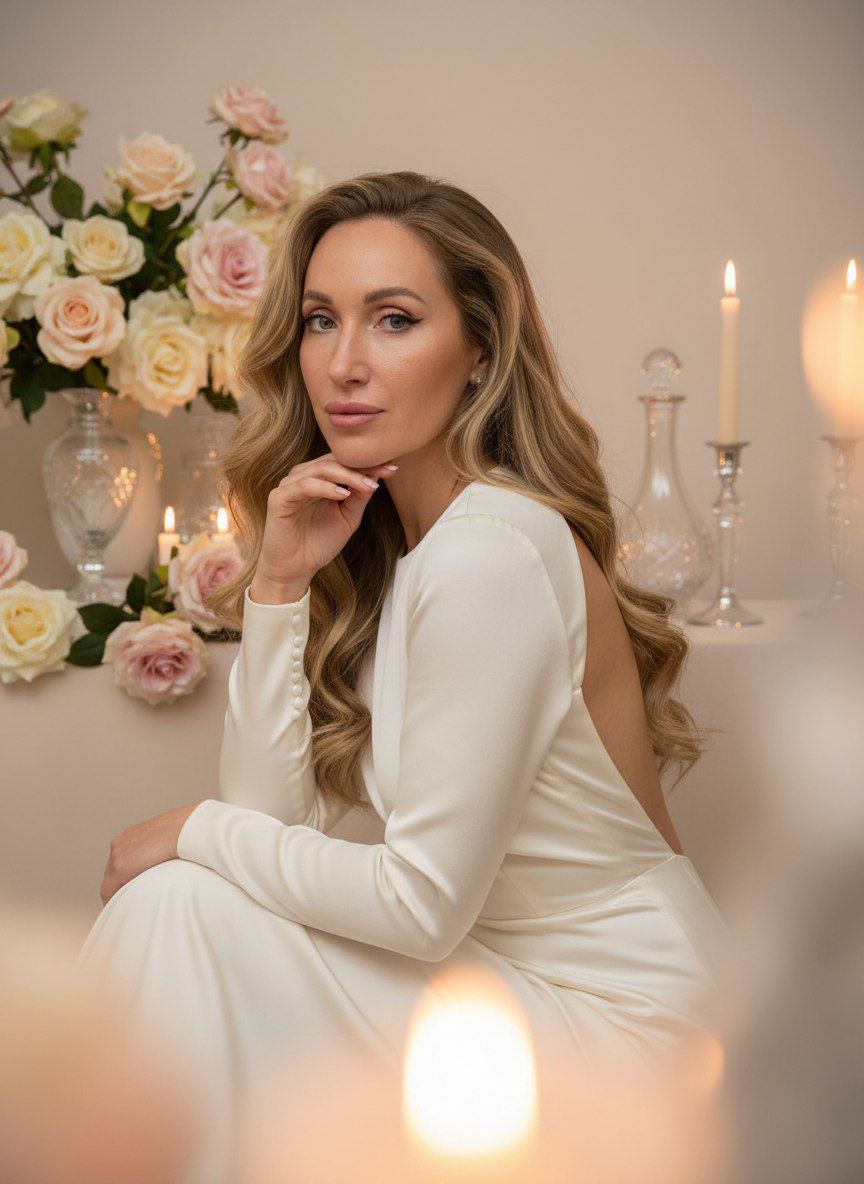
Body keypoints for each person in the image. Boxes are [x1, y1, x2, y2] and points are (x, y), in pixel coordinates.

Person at [77, 171, 728, 1183]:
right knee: (187, 902)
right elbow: (266, 820)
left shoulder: (490, 550)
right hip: (508, 989)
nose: (345, 363)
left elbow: (420, 904)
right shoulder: (415, 549)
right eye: (321, 321)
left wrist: (192, 829)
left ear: (480, 352)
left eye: (394, 320)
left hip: (633, 1033)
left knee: (177, 903)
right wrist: (280, 584)